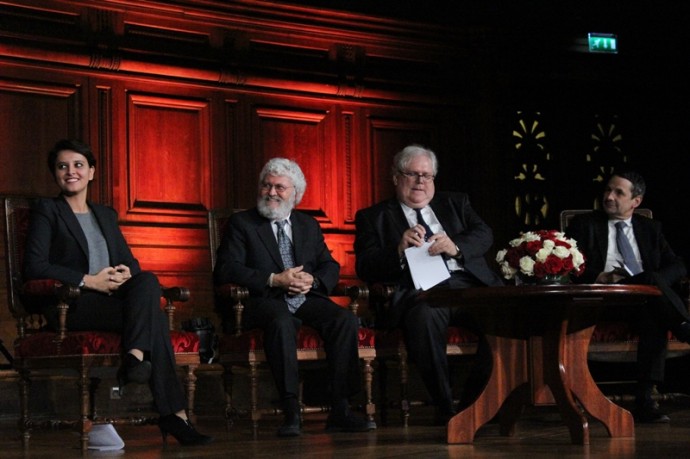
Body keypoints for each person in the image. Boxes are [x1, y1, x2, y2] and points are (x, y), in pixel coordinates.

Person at [23, 139, 212, 446]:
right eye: (63, 166)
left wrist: (126, 273)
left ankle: (136, 358)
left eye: (78, 165)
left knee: (147, 279)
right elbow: (35, 265)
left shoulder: (105, 215)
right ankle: (174, 415)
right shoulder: (48, 210)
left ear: (92, 172)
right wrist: (88, 280)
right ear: (55, 174)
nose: (71, 171)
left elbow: (130, 263)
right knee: (156, 321)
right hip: (72, 304)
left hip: (114, 299)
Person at [213, 157, 370, 437]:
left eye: (280, 187)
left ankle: (341, 408)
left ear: (296, 194)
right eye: (266, 185)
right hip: (261, 301)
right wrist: (273, 279)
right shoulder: (242, 223)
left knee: (343, 319)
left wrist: (314, 280)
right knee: (282, 321)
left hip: (305, 298)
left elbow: (329, 265)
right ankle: (290, 409)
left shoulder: (307, 225)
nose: (271, 192)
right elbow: (227, 268)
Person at [354, 144, 504, 424]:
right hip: (422, 294)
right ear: (396, 177)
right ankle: (446, 408)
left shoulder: (455, 203)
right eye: (412, 174)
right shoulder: (373, 217)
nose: (420, 181)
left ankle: (474, 404)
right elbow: (365, 265)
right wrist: (398, 249)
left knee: (502, 319)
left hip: (468, 288)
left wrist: (455, 245)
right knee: (423, 319)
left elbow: (484, 234)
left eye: (427, 175)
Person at [566, 170, 690, 423]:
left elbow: (678, 265)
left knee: (653, 309)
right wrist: (600, 276)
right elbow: (568, 264)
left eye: (618, 193)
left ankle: (644, 400)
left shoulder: (650, 228)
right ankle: (685, 327)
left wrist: (652, 284)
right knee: (653, 291)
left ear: (636, 201)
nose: (609, 197)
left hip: (643, 299)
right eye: (607, 190)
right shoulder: (585, 224)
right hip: (603, 300)